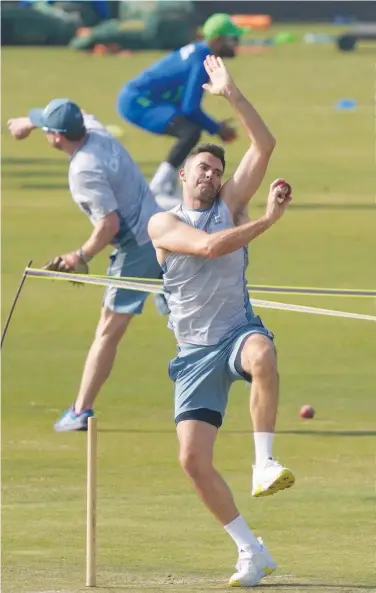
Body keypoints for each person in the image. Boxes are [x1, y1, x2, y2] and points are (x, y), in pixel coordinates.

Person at [148, 55, 295, 587]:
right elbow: (208, 249)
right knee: (192, 461)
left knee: (262, 353)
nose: (211, 175)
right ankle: (250, 550)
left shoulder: (231, 205)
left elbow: (265, 145)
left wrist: (232, 93)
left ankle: (264, 463)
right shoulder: (164, 221)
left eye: (217, 169)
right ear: (184, 173)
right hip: (193, 354)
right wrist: (268, 221)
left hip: (235, 333)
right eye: (202, 168)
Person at [8, 99, 164, 432]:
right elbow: (75, 116)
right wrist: (29, 121)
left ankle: (81, 411)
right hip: (164, 231)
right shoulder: (94, 130)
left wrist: (80, 257)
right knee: (186, 315)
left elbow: (107, 225)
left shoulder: (83, 171)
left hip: (136, 248)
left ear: (56, 137)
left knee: (107, 331)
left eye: (45, 128)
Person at [117, 13, 246, 208]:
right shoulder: (202, 58)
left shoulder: (201, 53)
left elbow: (186, 106)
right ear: (217, 39)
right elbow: (190, 108)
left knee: (191, 130)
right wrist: (216, 128)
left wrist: (213, 126)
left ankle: (172, 187)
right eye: (232, 39)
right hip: (138, 102)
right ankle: (158, 188)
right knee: (190, 131)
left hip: (149, 100)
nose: (236, 44)